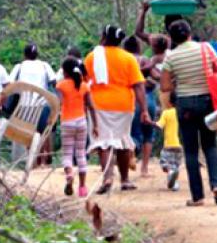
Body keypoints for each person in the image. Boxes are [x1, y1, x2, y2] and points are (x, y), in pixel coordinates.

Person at [160, 19, 217, 206]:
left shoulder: (171, 57)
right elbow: (216, 72)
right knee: (210, 145)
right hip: (207, 101)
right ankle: (216, 185)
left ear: (172, 38)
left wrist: (178, 82)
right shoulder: (206, 49)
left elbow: (165, 86)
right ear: (190, 32)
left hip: (185, 104)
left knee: (190, 150)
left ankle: (197, 197)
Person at [85, 25, 151, 193]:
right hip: (123, 105)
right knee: (122, 141)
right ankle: (125, 180)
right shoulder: (128, 58)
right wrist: (144, 109)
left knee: (103, 142)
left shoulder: (92, 57)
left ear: (103, 37)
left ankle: (107, 178)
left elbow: (84, 83)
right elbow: (138, 85)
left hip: (98, 104)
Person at [57, 58, 98, 198]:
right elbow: (91, 107)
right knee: (81, 154)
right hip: (81, 122)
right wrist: (96, 125)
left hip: (67, 122)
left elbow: (59, 104)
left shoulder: (61, 86)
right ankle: (82, 187)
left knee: (67, 153)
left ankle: (69, 175)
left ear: (65, 71)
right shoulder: (84, 86)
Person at [123, 36, 158, 179]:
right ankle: (144, 168)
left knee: (131, 132)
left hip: (130, 98)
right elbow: (156, 76)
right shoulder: (144, 59)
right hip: (148, 97)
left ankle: (131, 151)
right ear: (139, 47)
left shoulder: (124, 59)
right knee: (148, 134)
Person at [156, 96, 183, 191]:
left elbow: (159, 125)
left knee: (165, 165)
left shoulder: (166, 113)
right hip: (179, 146)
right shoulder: (182, 113)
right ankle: (174, 183)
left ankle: (171, 173)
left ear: (169, 103)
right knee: (175, 165)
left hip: (168, 144)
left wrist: (150, 123)